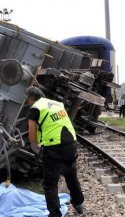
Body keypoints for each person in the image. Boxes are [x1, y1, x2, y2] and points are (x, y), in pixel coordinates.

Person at [25, 86, 84, 217]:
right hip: (70, 143)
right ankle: (78, 203)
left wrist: (36, 149)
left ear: (30, 99)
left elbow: (32, 136)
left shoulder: (35, 109)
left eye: (26, 100)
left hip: (54, 147)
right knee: (70, 174)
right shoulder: (57, 104)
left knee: (50, 182)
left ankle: (55, 214)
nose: (26, 102)